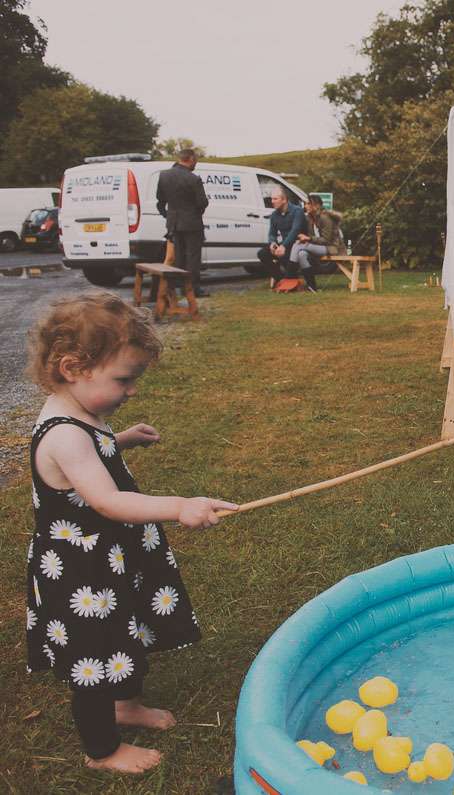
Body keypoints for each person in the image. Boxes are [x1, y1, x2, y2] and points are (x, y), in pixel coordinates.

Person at [23, 293, 237, 773]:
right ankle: (102, 750)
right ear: (74, 367)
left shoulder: (80, 416)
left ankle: (125, 705)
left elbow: (89, 459)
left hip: (107, 557)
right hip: (81, 571)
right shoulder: (64, 433)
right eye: (124, 379)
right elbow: (107, 501)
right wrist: (179, 506)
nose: (132, 391)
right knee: (94, 656)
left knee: (123, 631)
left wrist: (119, 440)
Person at [154, 148, 209, 297]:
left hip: (173, 223)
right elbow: (202, 202)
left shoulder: (164, 176)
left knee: (179, 256)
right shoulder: (193, 179)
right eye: (195, 160)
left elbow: (160, 202)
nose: (196, 163)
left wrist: (168, 216)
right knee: (193, 257)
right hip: (192, 223)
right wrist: (196, 214)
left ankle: (179, 286)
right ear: (190, 159)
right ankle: (192, 288)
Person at [290, 194, 344, 291]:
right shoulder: (310, 218)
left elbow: (327, 240)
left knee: (298, 246)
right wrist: (305, 238)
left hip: (332, 248)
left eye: (308, 204)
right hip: (318, 246)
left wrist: (308, 239)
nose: (305, 206)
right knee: (302, 254)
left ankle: (289, 278)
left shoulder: (325, 218)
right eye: (305, 204)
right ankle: (312, 286)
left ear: (317, 205)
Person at [257, 187, 305, 285]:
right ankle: (280, 279)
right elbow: (272, 233)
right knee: (262, 253)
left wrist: (283, 246)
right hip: (284, 246)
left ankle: (289, 279)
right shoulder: (274, 215)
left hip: (298, 244)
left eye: (275, 199)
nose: (272, 201)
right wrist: (273, 243)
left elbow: (295, 231)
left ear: (284, 200)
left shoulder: (297, 211)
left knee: (285, 254)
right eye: (272, 199)